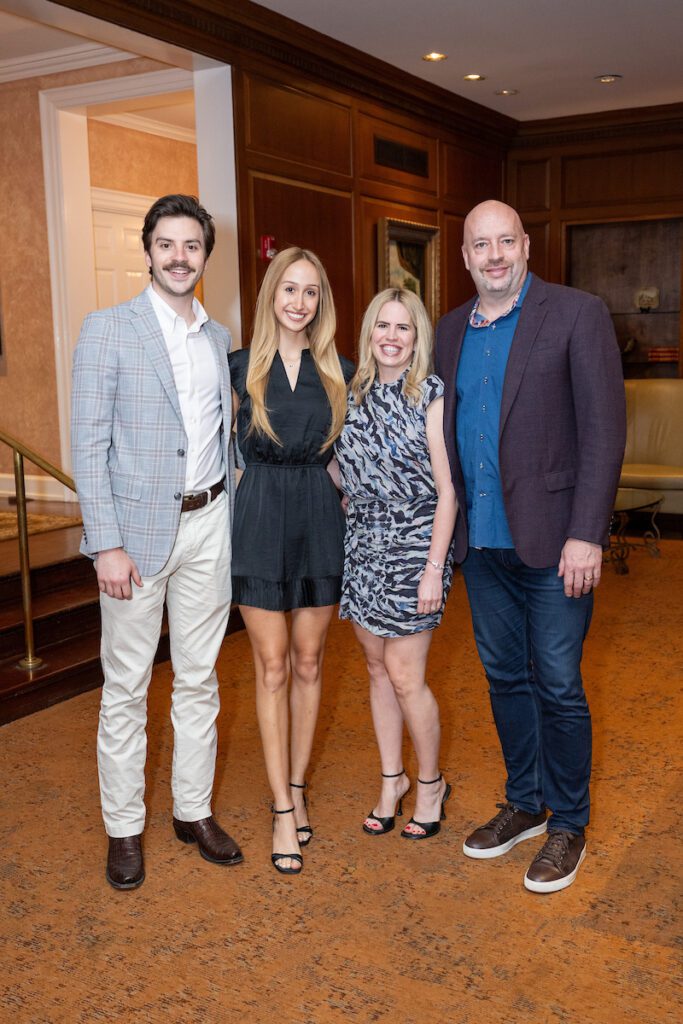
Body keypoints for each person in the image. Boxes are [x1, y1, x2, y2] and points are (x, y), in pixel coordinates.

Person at [435, 200, 626, 892]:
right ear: (463, 256)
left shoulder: (576, 314)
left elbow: (603, 431)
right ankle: (524, 803)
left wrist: (587, 534)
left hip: (554, 544)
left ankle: (567, 821)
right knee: (504, 678)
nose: (492, 255)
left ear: (523, 246)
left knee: (556, 682)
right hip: (480, 546)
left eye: (504, 242)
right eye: (479, 245)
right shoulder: (449, 330)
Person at [72, 194, 242, 891]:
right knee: (127, 687)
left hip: (210, 526)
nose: (179, 257)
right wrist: (104, 543)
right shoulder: (108, 329)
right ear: (147, 251)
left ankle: (192, 810)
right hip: (135, 538)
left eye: (192, 246)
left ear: (205, 254)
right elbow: (88, 444)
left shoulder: (216, 335)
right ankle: (123, 828)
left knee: (199, 678)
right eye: (166, 245)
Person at [229, 247, 354, 875]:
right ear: (271, 296)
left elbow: (348, 463)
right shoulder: (235, 370)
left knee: (308, 662)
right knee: (272, 666)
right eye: (289, 289)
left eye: (311, 292)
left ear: (320, 303)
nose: (299, 302)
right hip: (257, 521)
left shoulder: (342, 373)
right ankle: (281, 807)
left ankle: (297, 787)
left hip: (317, 521)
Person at [333, 289, 458, 840]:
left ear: (417, 338)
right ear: (368, 334)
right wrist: (353, 492)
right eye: (382, 325)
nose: (391, 336)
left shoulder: (429, 395)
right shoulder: (351, 393)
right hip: (363, 544)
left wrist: (434, 567)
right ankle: (393, 780)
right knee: (377, 669)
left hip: (415, 545)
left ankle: (430, 784)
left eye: (403, 328)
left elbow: (448, 492)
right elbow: (338, 464)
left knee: (408, 676)